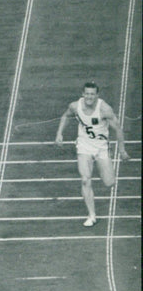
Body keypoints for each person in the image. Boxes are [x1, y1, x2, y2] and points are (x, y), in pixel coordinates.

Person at [54, 81, 129, 227]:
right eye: (87, 94)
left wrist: (122, 150)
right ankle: (91, 215)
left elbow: (118, 129)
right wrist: (59, 134)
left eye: (92, 94)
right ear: (83, 94)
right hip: (84, 146)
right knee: (85, 179)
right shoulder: (75, 106)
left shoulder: (105, 109)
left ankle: (105, 168)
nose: (89, 97)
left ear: (97, 95)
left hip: (101, 148)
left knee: (109, 182)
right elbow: (65, 116)